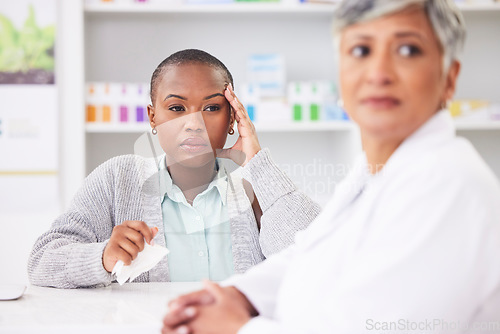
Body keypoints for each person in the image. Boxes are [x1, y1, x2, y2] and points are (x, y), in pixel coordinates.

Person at [161, 1, 500, 333]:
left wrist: (238, 327)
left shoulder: (448, 185)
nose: (379, 72)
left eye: (408, 50)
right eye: (361, 51)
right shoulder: (376, 172)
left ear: (449, 77)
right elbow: (310, 254)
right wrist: (239, 294)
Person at [28, 49, 320, 288]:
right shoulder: (118, 179)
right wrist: (102, 257)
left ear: (233, 118)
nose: (193, 124)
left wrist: (258, 163)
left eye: (212, 108)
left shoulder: (255, 187)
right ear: (153, 118)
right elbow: (42, 261)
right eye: (177, 108)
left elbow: (325, 258)